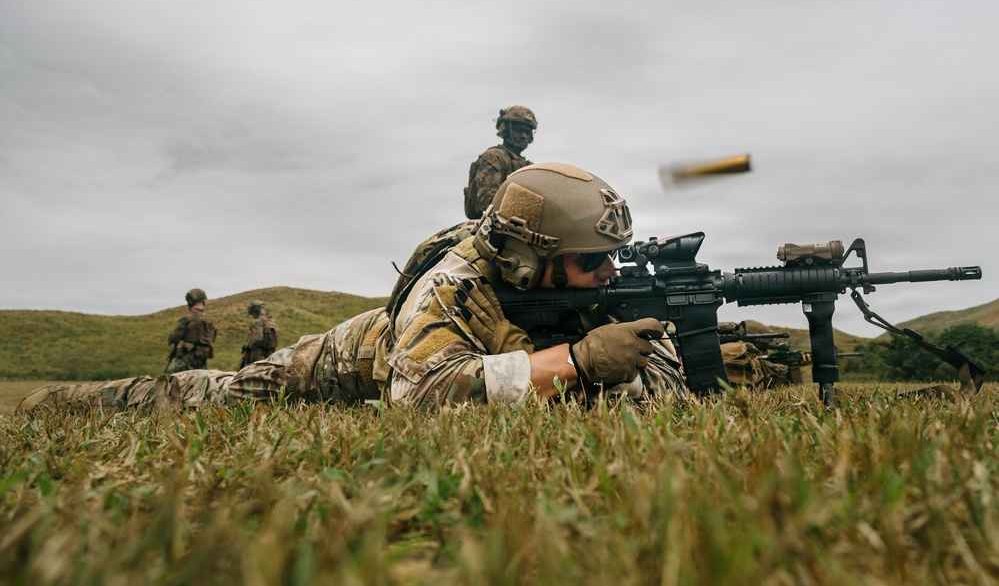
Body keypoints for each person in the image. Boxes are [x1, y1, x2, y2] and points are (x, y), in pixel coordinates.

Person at [18, 163, 687, 414]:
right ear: (525, 263)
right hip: (344, 362)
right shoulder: (452, 280)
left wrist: (540, 353)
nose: (608, 276)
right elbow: (418, 395)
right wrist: (570, 363)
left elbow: (666, 400)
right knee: (216, 393)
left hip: (457, 352)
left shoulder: (604, 287)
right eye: (590, 261)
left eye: (611, 259)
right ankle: (76, 398)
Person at [463, 106, 537, 219]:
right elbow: (488, 203)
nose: (524, 136)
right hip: (487, 225)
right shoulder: (494, 156)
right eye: (519, 130)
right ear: (505, 130)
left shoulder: (529, 167)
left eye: (527, 132)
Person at [165, 288, 217, 373]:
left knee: (181, 383)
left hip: (186, 358)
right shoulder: (210, 319)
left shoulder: (188, 318)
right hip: (202, 357)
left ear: (190, 301)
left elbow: (174, 337)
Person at [240, 301, 280, 369]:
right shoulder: (271, 321)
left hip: (258, 356)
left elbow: (258, 338)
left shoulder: (258, 322)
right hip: (270, 355)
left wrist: (248, 346)